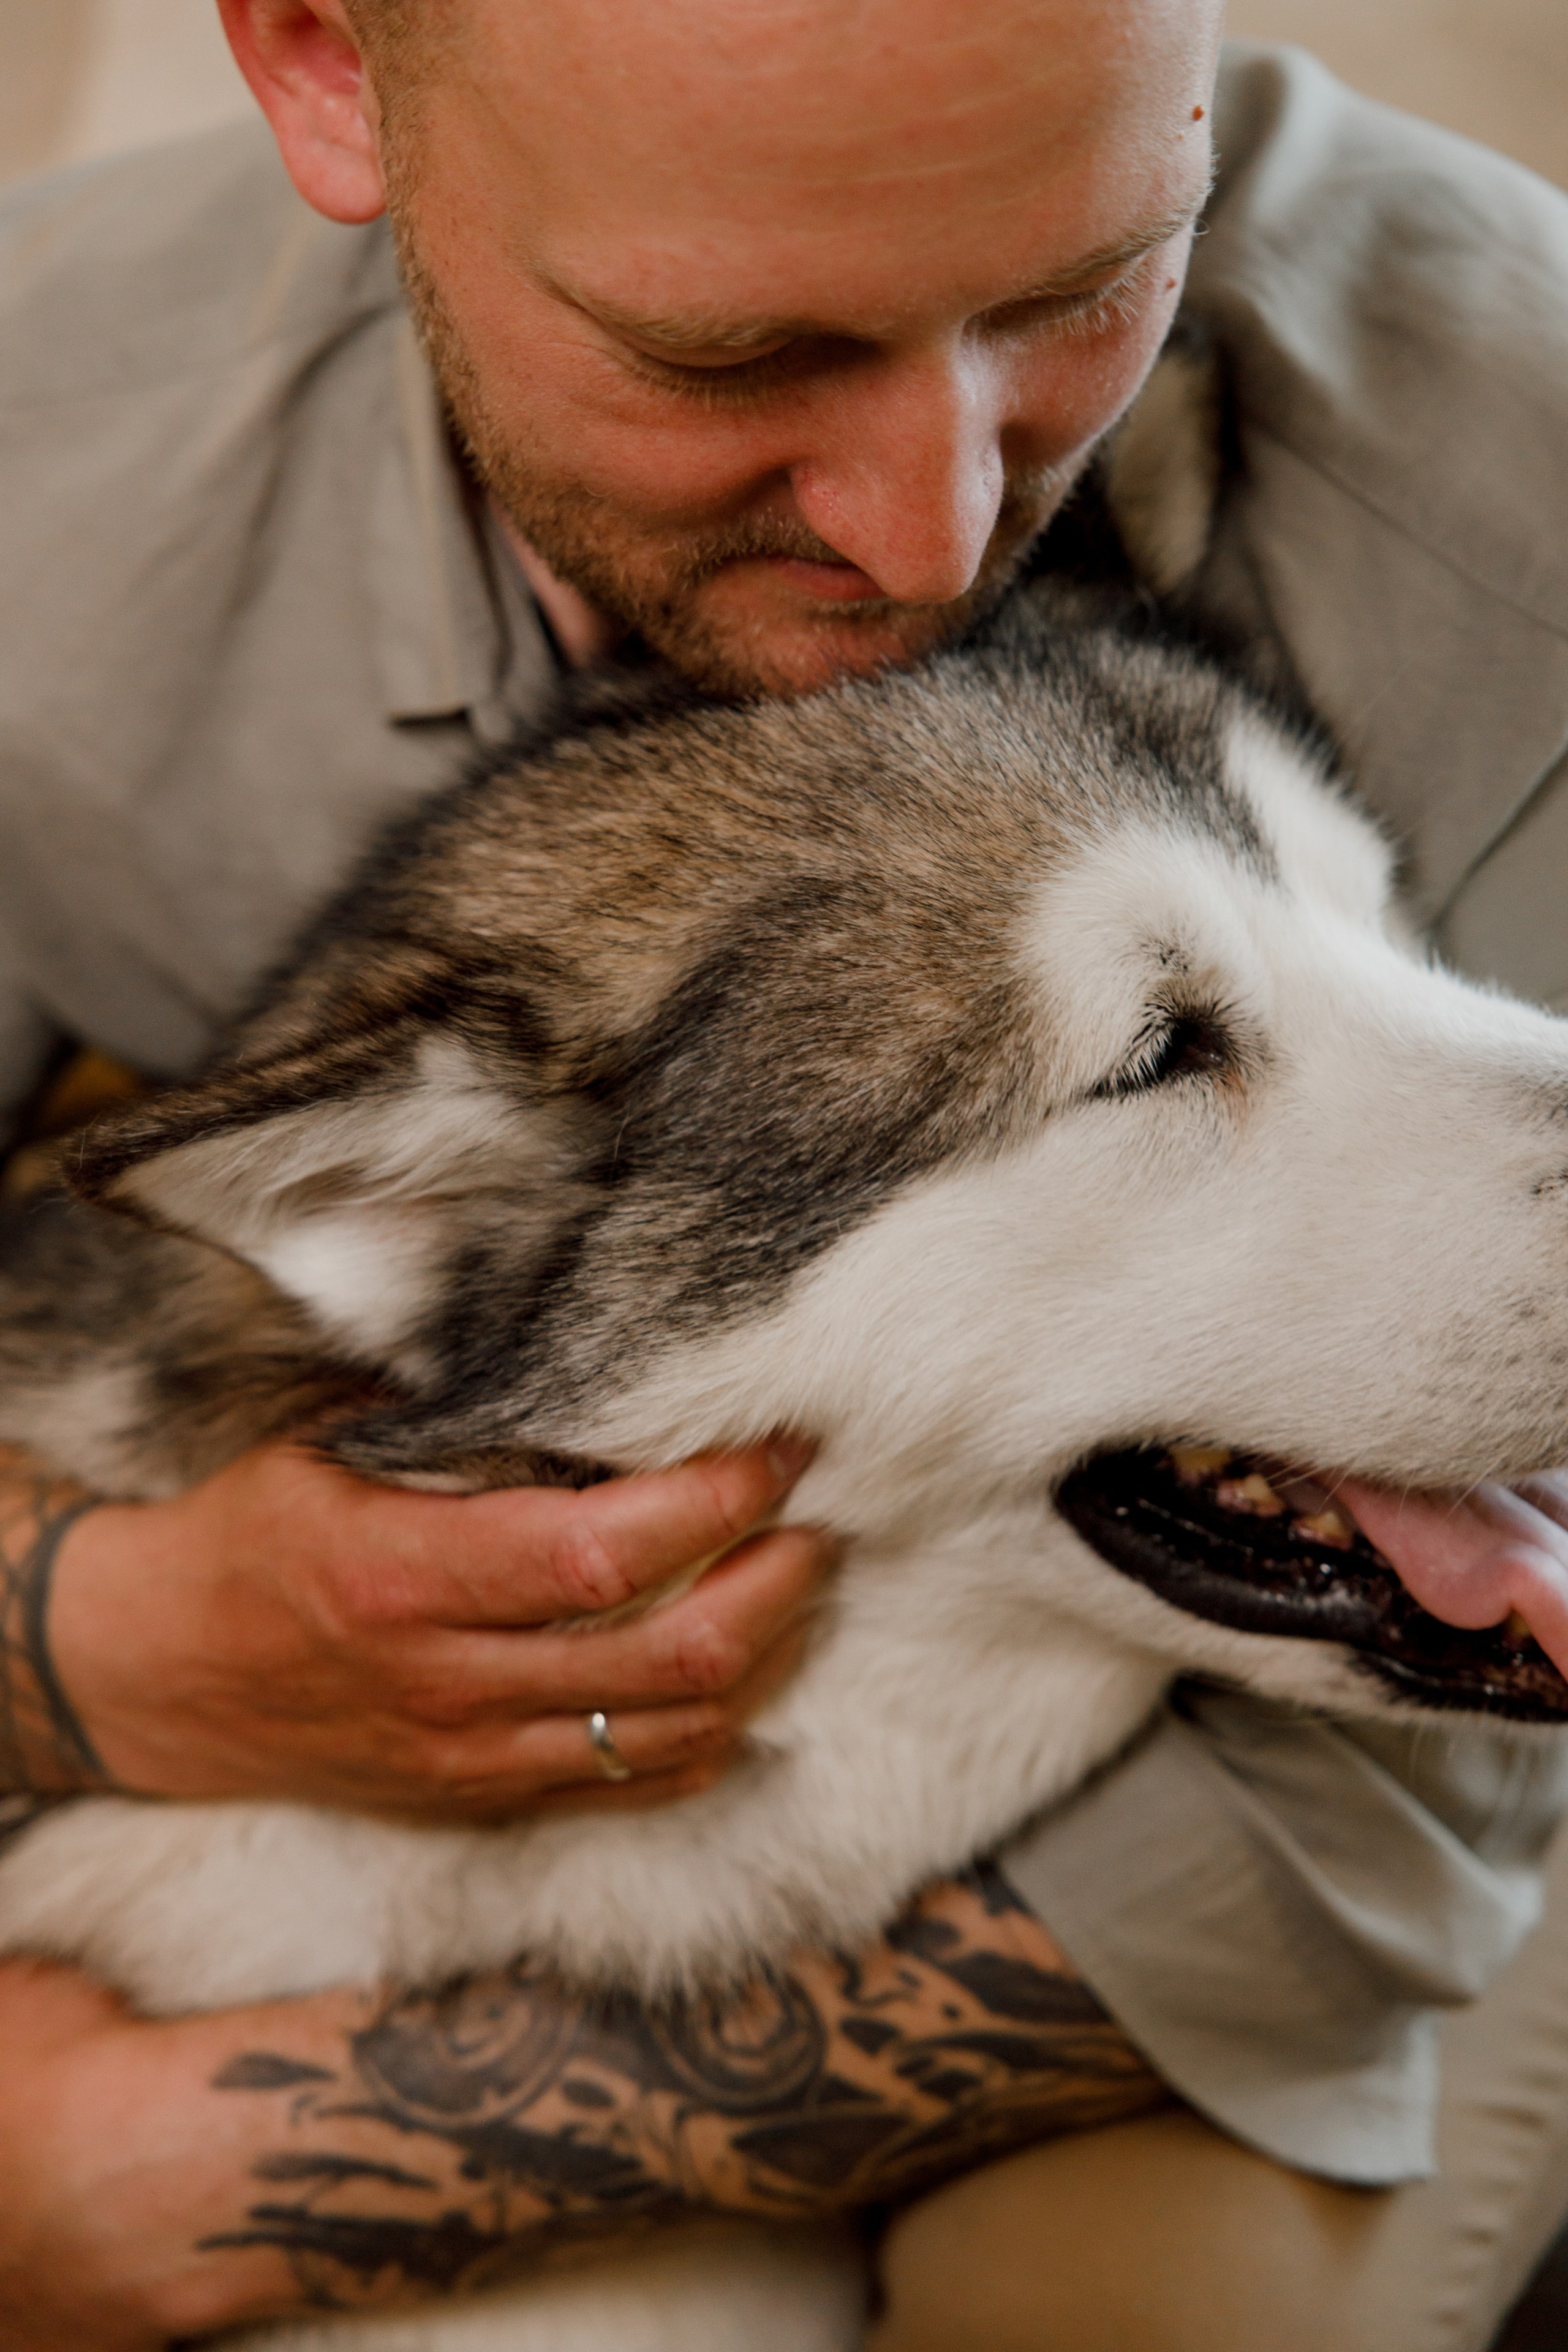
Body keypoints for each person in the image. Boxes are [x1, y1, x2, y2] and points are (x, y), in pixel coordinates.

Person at [1, 1, 1567, 2345]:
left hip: (1290, 1830)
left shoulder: (1515, 485)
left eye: (1071, 298)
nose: (932, 530)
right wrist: (101, 1640)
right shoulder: (47, 457)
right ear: (325, 66)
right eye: (730, 355)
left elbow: (1368, 1860)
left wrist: (223, 2158)